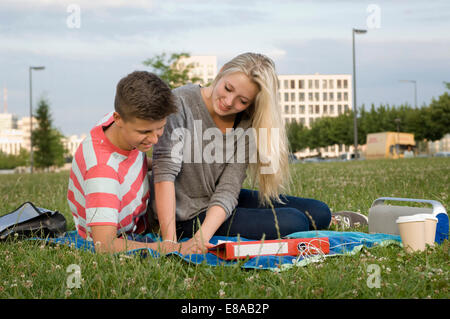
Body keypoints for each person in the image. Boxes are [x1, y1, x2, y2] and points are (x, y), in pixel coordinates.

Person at [150, 52, 332, 255]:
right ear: (220, 73)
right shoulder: (180, 102)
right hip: (185, 215)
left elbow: (228, 189)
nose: (228, 102)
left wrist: (202, 238)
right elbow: (164, 174)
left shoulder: (245, 122)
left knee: (320, 213)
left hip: (218, 201)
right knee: (294, 221)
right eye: (228, 88)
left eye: (242, 101)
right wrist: (170, 242)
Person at [67, 71, 179, 253]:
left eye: (160, 128)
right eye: (145, 132)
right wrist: (165, 248)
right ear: (118, 119)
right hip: (122, 233)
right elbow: (104, 245)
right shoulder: (102, 172)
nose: (154, 140)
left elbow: (130, 165)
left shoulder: (117, 122)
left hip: (139, 213)